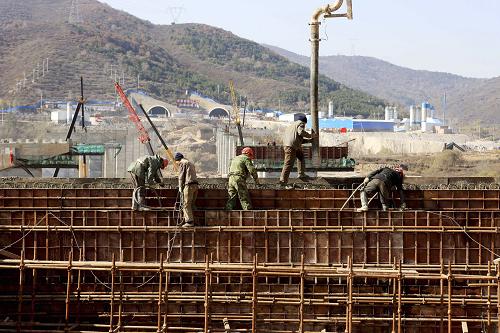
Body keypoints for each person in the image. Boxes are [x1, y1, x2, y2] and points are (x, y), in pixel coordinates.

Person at [279, 114, 315, 186]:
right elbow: (301, 132)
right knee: (288, 163)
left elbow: (298, 139)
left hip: (291, 145)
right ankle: (283, 182)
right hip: (291, 146)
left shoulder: (292, 126)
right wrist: (311, 135)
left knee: (300, 156)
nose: (304, 125)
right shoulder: (301, 124)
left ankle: (301, 174)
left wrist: (309, 141)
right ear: (304, 121)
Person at [175, 152, 198, 228]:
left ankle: (189, 222)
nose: (177, 164)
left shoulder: (182, 163)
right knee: (192, 205)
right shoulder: (190, 163)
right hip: (195, 185)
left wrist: (180, 187)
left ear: (178, 160)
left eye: (176, 162)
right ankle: (197, 220)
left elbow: (181, 176)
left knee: (186, 204)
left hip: (189, 186)